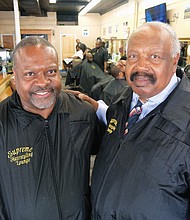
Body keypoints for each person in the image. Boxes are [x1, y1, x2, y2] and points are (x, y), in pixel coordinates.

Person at [89, 21, 190, 219]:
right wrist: (94, 108)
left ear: (174, 60)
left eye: (154, 56)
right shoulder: (122, 103)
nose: (141, 66)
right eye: (134, 56)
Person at [0, 36, 98, 220]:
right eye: (30, 74)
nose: (43, 82)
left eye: (51, 71)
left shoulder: (83, 113)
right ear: (15, 74)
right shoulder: (2, 123)